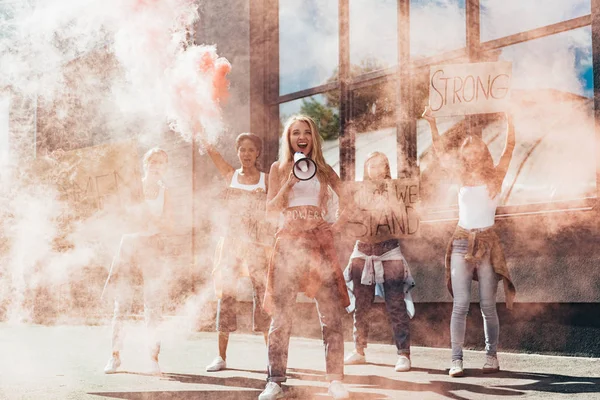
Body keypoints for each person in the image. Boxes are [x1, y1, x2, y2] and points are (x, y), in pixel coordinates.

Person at [258, 115, 350, 400]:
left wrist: (336, 225)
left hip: (318, 245)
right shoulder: (278, 168)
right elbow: (270, 210)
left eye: (306, 132)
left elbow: (349, 197)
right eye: (295, 132)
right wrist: (288, 184)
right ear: (288, 138)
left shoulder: (323, 168)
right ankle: (275, 380)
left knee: (331, 316)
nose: (301, 136)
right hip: (288, 245)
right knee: (282, 317)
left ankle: (335, 379)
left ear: (313, 138)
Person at [422, 107, 517, 377]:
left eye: (476, 149)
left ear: (483, 152)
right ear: (463, 155)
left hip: (487, 243)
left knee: (488, 305)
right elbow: (440, 152)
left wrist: (511, 119)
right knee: (460, 304)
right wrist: (432, 123)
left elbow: (509, 147)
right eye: (467, 150)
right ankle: (456, 359)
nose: (472, 153)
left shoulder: (496, 176)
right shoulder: (459, 176)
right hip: (462, 241)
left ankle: (491, 357)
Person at [200, 132, 271, 372]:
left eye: (251, 149)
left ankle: (273, 357)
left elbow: (278, 205)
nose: (247, 154)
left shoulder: (267, 180)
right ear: (237, 152)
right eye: (242, 150)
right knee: (226, 296)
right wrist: (200, 129)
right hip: (231, 244)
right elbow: (212, 153)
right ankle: (221, 357)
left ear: (258, 152)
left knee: (263, 296)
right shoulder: (231, 176)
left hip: (258, 246)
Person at [102, 147, 173, 375]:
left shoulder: (166, 192)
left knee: (153, 306)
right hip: (130, 247)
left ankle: (152, 358)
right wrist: (137, 221)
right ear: (145, 164)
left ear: (166, 167)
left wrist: (155, 224)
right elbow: (120, 217)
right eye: (152, 161)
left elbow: (169, 223)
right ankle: (115, 356)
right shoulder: (132, 187)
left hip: (153, 248)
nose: (156, 166)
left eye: (161, 162)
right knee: (121, 304)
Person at [341, 152, 414, 372]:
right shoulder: (357, 193)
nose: (376, 170)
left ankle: (403, 354)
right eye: (371, 166)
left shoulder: (396, 192)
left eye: (381, 165)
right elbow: (346, 217)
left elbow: (407, 217)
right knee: (361, 306)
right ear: (366, 169)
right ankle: (359, 350)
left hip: (389, 250)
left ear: (386, 168)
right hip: (362, 250)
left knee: (395, 304)